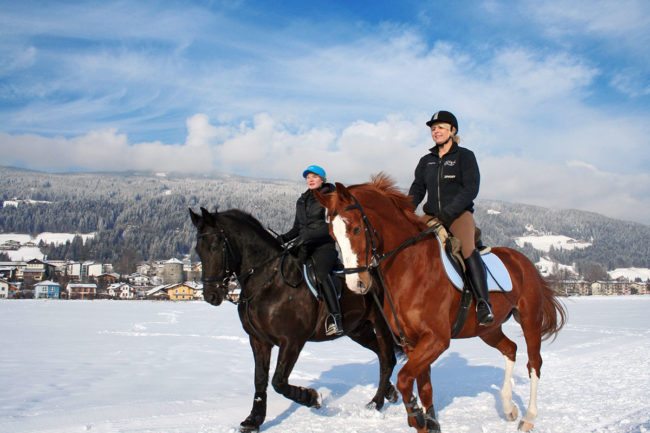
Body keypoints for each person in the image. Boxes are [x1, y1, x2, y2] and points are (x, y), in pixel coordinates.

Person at [408, 110, 494, 326]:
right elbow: (418, 189)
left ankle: (483, 303)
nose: (436, 131)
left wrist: (448, 212)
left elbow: (470, 189)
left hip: (458, 214)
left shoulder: (465, 156)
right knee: (406, 243)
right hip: (430, 215)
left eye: (440, 127)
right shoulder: (426, 160)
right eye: (433, 128)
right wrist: (406, 210)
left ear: (452, 131)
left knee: (466, 249)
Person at [278, 165, 343, 336]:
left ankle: (335, 318)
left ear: (323, 179)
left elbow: (332, 226)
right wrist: (281, 239)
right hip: (304, 246)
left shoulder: (330, 197)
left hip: (324, 247)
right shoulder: (302, 200)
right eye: (308, 177)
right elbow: (297, 228)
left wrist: (308, 236)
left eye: (315, 176)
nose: (311, 179)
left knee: (321, 274)